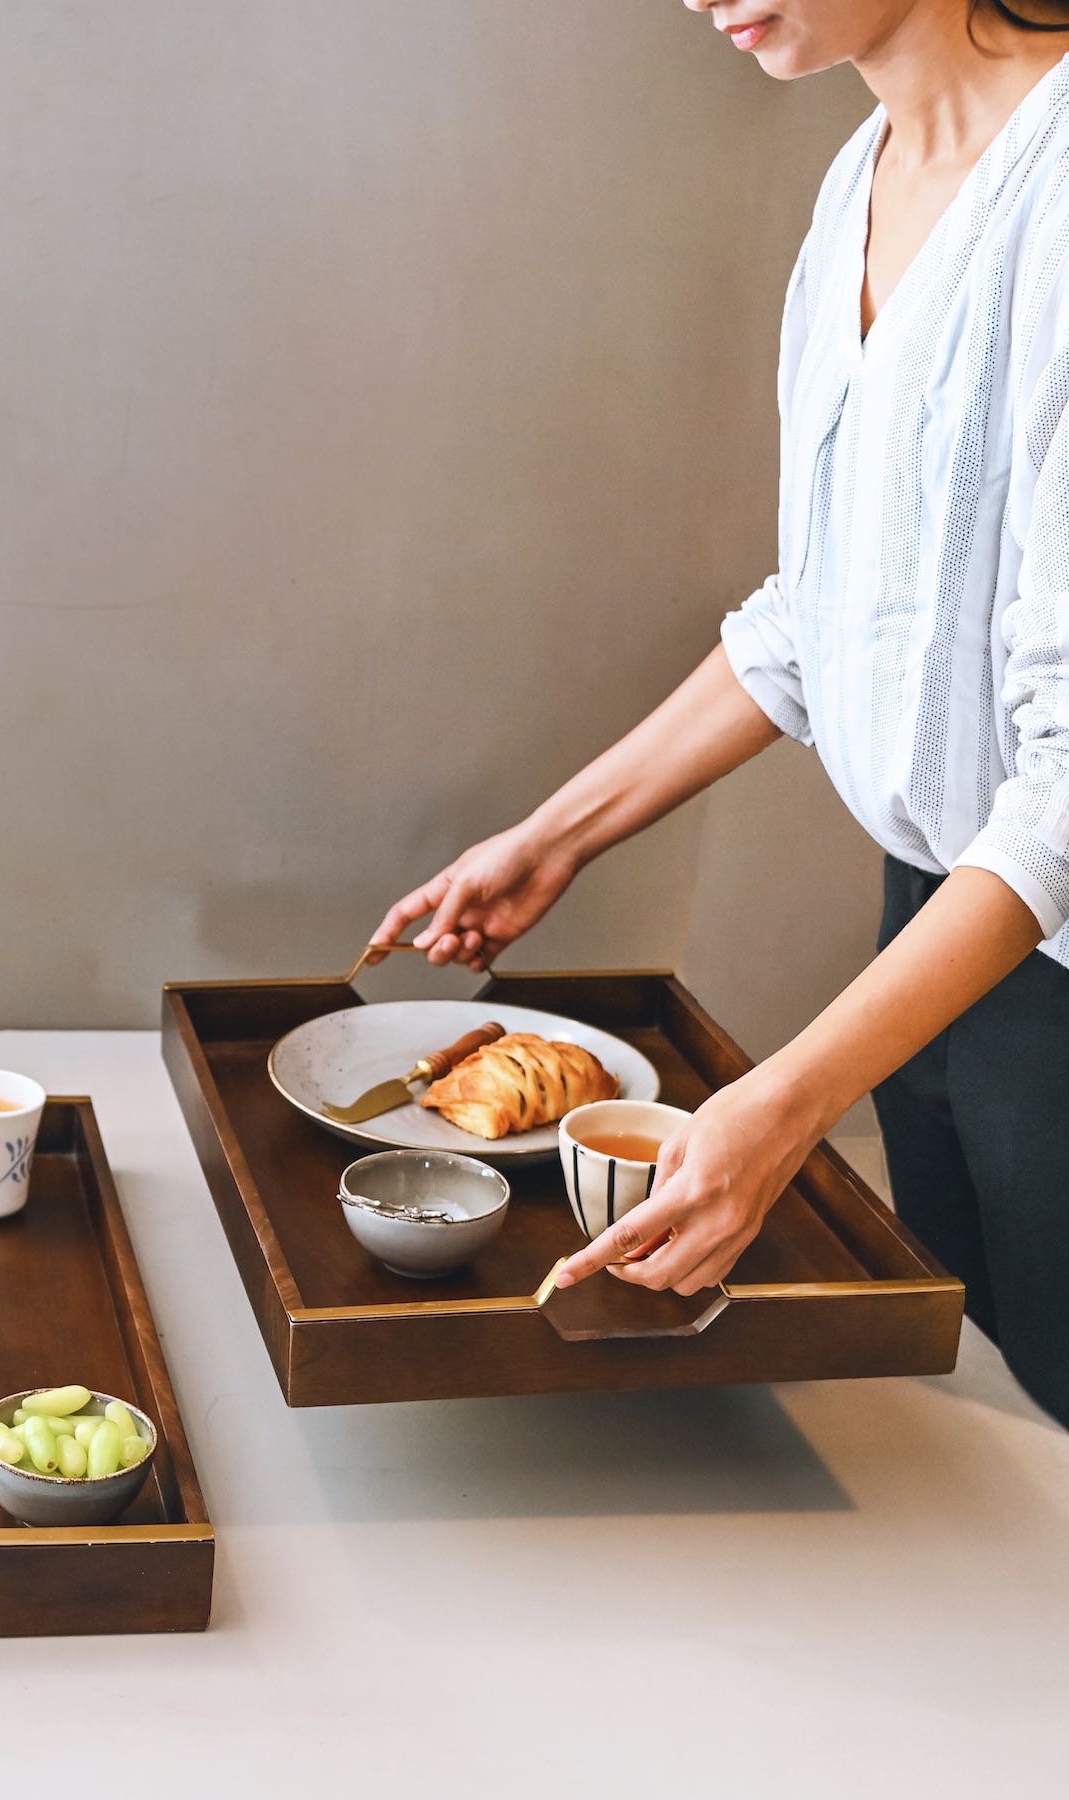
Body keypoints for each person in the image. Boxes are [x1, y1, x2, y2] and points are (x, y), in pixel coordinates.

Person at [369, 0, 1069, 1429]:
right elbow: (822, 612)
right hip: (939, 926)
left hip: (1042, 957)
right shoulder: (861, 176)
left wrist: (789, 1108)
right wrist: (560, 835)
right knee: (991, 1425)